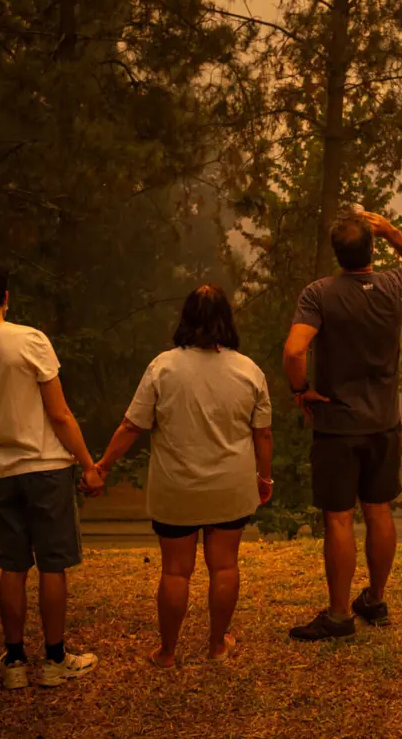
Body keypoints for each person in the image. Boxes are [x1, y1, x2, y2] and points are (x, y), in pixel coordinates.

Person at [96, 285, 273, 668]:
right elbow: (263, 433)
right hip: (230, 485)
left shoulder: (163, 367)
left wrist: (103, 466)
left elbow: (131, 426)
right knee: (224, 565)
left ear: (186, 319)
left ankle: (167, 651)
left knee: (176, 571)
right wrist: (265, 478)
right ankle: (216, 646)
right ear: (226, 319)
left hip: (176, 488)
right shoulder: (249, 370)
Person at [0, 259, 103, 690]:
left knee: (11, 565)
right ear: (5, 296)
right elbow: (60, 412)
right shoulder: (28, 340)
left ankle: (14, 660)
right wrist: (88, 464)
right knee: (53, 566)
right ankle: (55, 659)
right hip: (46, 466)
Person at [283, 210, 402, 641]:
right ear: (373, 248)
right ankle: (374, 600)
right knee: (379, 509)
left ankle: (338, 616)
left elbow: (295, 351)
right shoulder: (395, 284)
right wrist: (392, 231)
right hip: (384, 422)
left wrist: (301, 390)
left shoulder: (319, 294)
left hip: (337, 425)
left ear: (338, 253)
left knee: (338, 519)